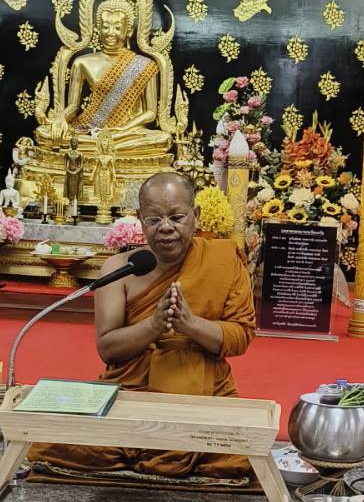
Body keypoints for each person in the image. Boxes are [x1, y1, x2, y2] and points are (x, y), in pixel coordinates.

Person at [30, 170, 256, 479]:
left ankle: (148, 450)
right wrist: (154, 325)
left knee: (239, 456)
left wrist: (190, 325)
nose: (166, 228)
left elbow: (241, 335)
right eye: (153, 219)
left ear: (196, 215)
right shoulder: (119, 269)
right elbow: (108, 349)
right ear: (140, 219)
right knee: (52, 442)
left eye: (176, 217)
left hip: (203, 394)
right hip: (131, 395)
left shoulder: (223, 259)